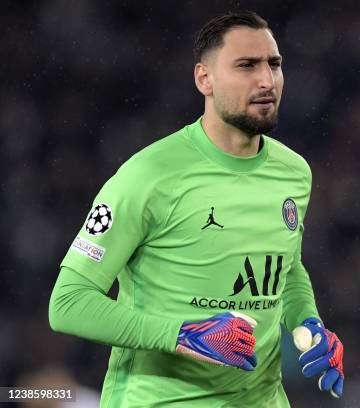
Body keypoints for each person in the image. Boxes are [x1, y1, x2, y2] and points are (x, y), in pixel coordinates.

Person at [48, 11, 344, 407]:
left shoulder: (294, 172)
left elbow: (286, 270)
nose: (266, 80)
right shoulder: (148, 175)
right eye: (246, 66)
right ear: (204, 78)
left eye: (274, 65)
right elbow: (68, 304)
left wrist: (309, 323)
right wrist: (181, 334)